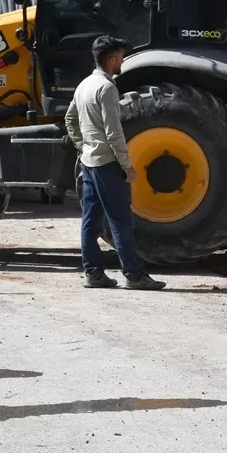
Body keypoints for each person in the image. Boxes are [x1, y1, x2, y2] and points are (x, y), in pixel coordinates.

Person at [65, 35, 165, 291]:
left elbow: (69, 119)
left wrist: (82, 144)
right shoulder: (107, 88)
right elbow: (113, 133)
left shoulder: (84, 85)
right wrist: (127, 165)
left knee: (90, 221)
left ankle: (94, 273)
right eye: (121, 56)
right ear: (111, 59)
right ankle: (134, 275)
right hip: (108, 164)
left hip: (89, 162)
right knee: (120, 221)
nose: (122, 60)